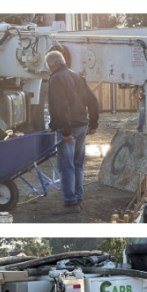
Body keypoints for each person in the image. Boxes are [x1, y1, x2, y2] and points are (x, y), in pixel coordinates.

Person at [45, 49, 99, 215]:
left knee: (66, 165)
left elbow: (62, 106)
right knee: (77, 164)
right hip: (82, 126)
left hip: (68, 128)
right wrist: (93, 123)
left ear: (50, 65)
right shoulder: (78, 77)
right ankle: (78, 196)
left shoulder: (56, 79)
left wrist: (66, 131)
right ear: (62, 61)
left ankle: (70, 202)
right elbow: (93, 100)